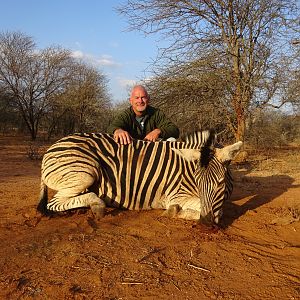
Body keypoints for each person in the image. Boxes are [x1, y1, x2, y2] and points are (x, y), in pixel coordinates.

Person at [107, 85, 179, 144]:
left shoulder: (156, 113)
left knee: (171, 140)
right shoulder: (126, 115)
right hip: (131, 151)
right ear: (131, 101)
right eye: (137, 98)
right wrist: (118, 130)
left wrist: (158, 131)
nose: (140, 101)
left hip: (153, 152)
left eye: (143, 97)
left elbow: (174, 130)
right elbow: (112, 127)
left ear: (148, 99)